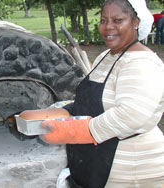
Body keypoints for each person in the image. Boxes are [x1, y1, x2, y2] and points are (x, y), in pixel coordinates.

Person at [37, 0, 164, 187]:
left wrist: (76, 131)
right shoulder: (106, 56)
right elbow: (92, 101)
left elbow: (131, 115)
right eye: (104, 20)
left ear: (136, 23)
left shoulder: (142, 63)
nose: (108, 27)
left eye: (118, 20)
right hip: (96, 166)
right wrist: (63, 112)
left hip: (133, 173)